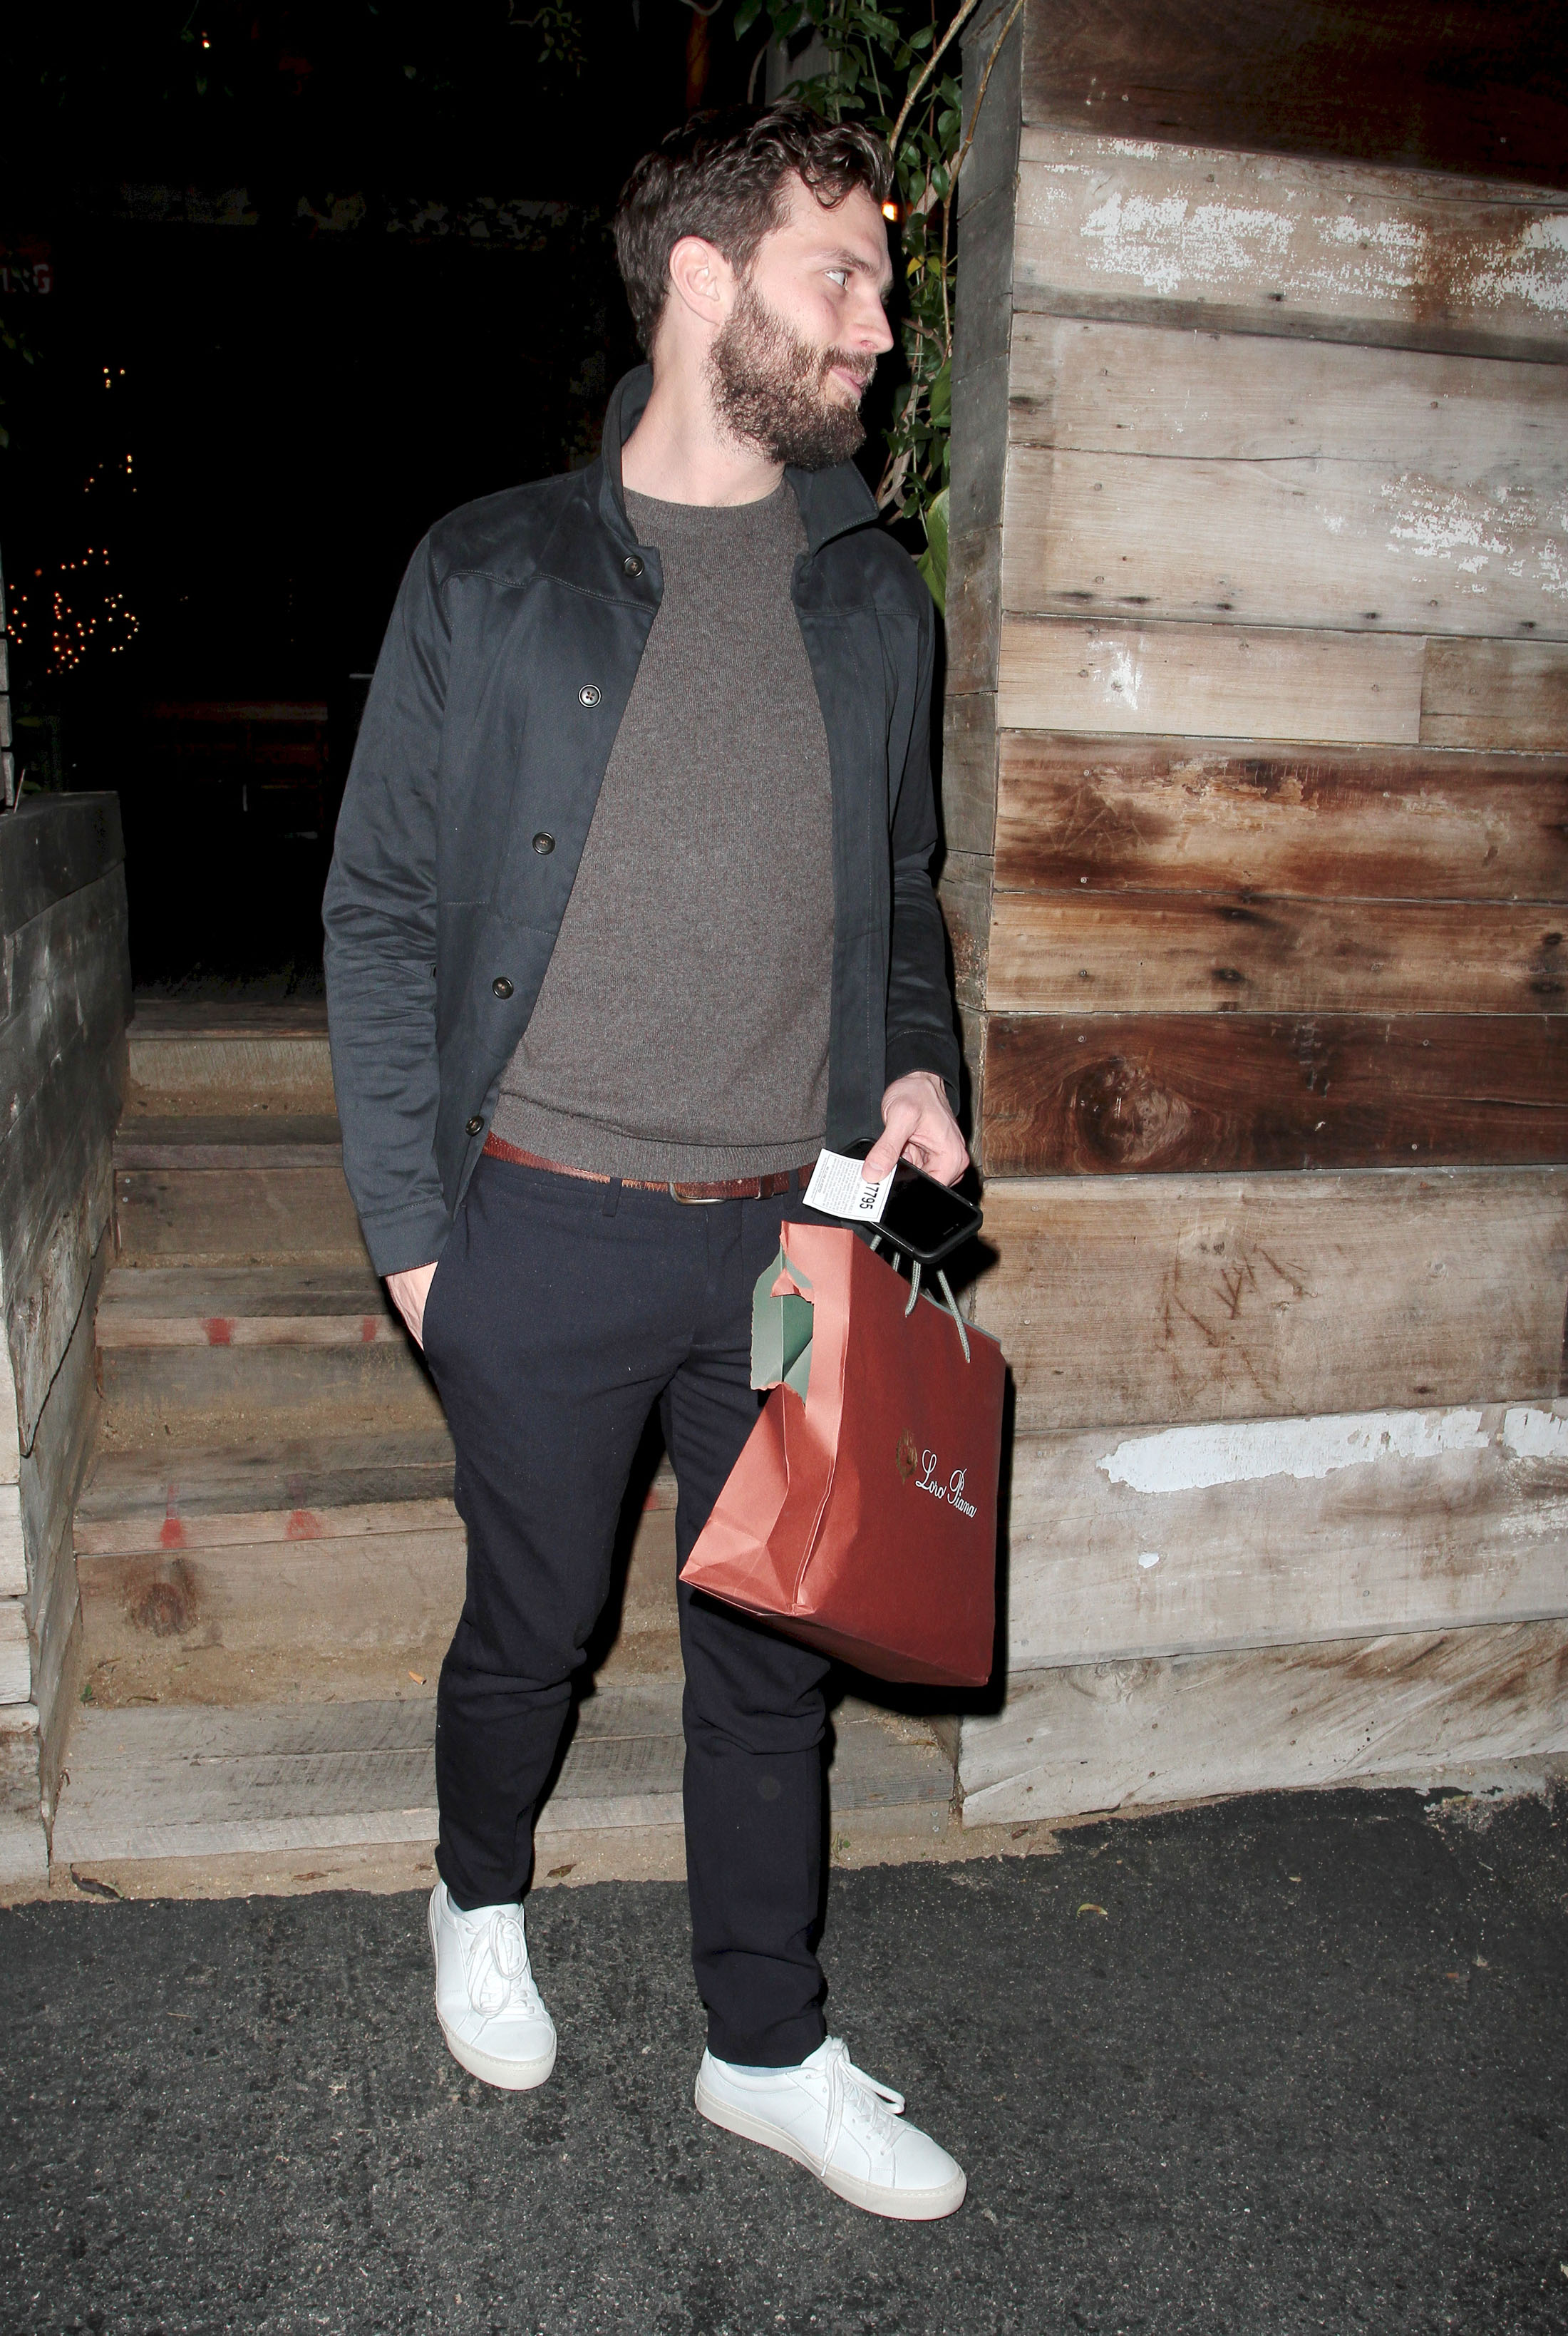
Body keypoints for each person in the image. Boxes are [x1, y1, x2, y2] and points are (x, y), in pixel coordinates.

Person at [322, 101, 968, 2222]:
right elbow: (381, 912)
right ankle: (477, 1892)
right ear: (704, 280)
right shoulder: (490, 570)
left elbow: (900, 898)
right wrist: (418, 1241)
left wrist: (914, 1070)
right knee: (535, 1621)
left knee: (769, 1653)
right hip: (537, 1224)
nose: (877, 327)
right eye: (839, 276)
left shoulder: (873, 603)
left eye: (881, 283)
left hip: (788, 1243)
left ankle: (763, 2047)